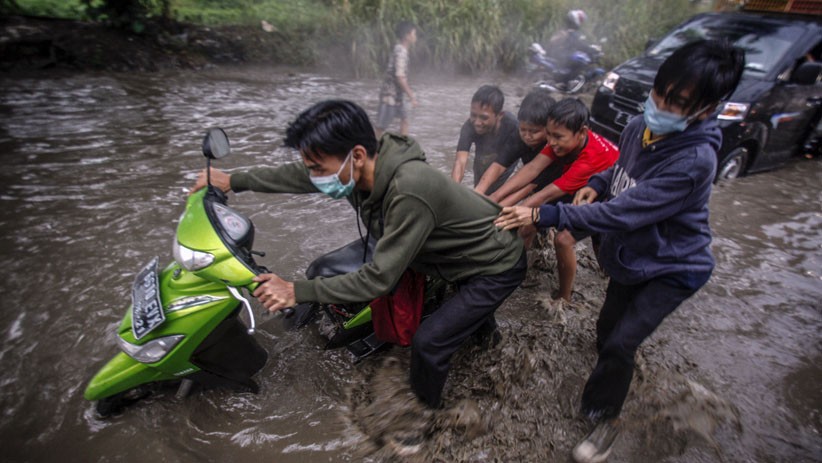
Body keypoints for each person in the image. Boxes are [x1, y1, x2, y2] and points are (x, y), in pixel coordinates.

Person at [495, 39, 745, 463]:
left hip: (673, 268)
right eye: (659, 92)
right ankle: (616, 369)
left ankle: (604, 417)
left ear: (705, 110)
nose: (660, 104)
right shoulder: (637, 128)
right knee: (606, 330)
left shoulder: (694, 161)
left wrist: (544, 216)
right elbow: (618, 171)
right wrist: (596, 184)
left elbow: (621, 215)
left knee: (620, 343)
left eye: (676, 102)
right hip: (631, 257)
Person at [190, 99, 526, 413]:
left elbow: (378, 278)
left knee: (429, 344)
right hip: (456, 254)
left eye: (319, 168)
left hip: (495, 263)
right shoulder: (360, 171)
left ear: (359, 155)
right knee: (468, 318)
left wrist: (296, 290)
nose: (315, 176)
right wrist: (233, 180)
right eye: (312, 166)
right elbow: (298, 176)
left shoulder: (409, 190)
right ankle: (486, 340)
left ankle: (428, 417)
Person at [490, 98, 618, 301]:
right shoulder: (561, 138)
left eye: (557, 137)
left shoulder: (590, 158)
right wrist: (493, 199)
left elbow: (545, 195)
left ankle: (564, 297)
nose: (550, 142)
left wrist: (506, 214)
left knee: (564, 239)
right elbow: (532, 168)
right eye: (548, 134)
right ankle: (515, 269)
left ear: (582, 133)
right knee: (528, 223)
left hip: (608, 195)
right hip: (579, 186)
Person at [451, 85, 523, 195]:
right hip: (483, 158)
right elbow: (460, 162)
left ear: (499, 115)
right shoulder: (469, 126)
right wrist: (453, 191)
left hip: (506, 162)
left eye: (484, 118)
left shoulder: (513, 127)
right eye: (473, 115)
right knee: (479, 186)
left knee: (494, 192)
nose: (477, 122)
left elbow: (500, 167)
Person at [375, 21, 418, 137]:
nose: (415, 37)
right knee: (380, 128)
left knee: (405, 119)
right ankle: (372, 151)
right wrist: (411, 96)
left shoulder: (400, 50)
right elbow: (400, 77)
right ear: (407, 36)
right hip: (390, 97)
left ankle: (403, 149)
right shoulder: (401, 52)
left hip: (398, 97)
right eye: (414, 34)